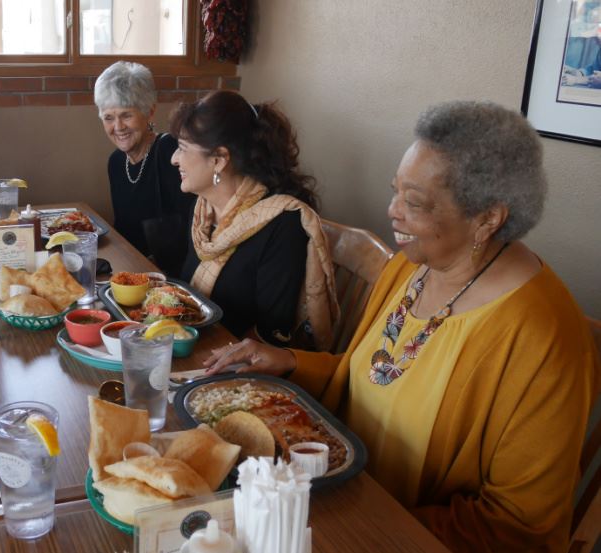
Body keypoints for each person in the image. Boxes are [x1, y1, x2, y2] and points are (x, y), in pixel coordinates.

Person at [204, 101, 600, 552]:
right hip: (333, 492)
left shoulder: (544, 337)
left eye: (415, 203)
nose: (392, 211)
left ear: (489, 218)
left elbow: (517, 529)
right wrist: (290, 361)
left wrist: (364, 528)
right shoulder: (413, 267)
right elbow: (370, 377)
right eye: (395, 191)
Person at [170, 90, 338, 350]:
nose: (174, 159)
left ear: (218, 160)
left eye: (182, 148)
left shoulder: (283, 225)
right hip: (190, 344)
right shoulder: (204, 209)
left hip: (237, 368)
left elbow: (272, 333)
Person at [94, 61, 196, 276]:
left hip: (170, 275)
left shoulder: (171, 153)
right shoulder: (115, 162)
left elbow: (194, 229)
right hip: (131, 271)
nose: (118, 127)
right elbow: (123, 230)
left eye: (126, 115)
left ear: (149, 112)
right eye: (109, 118)